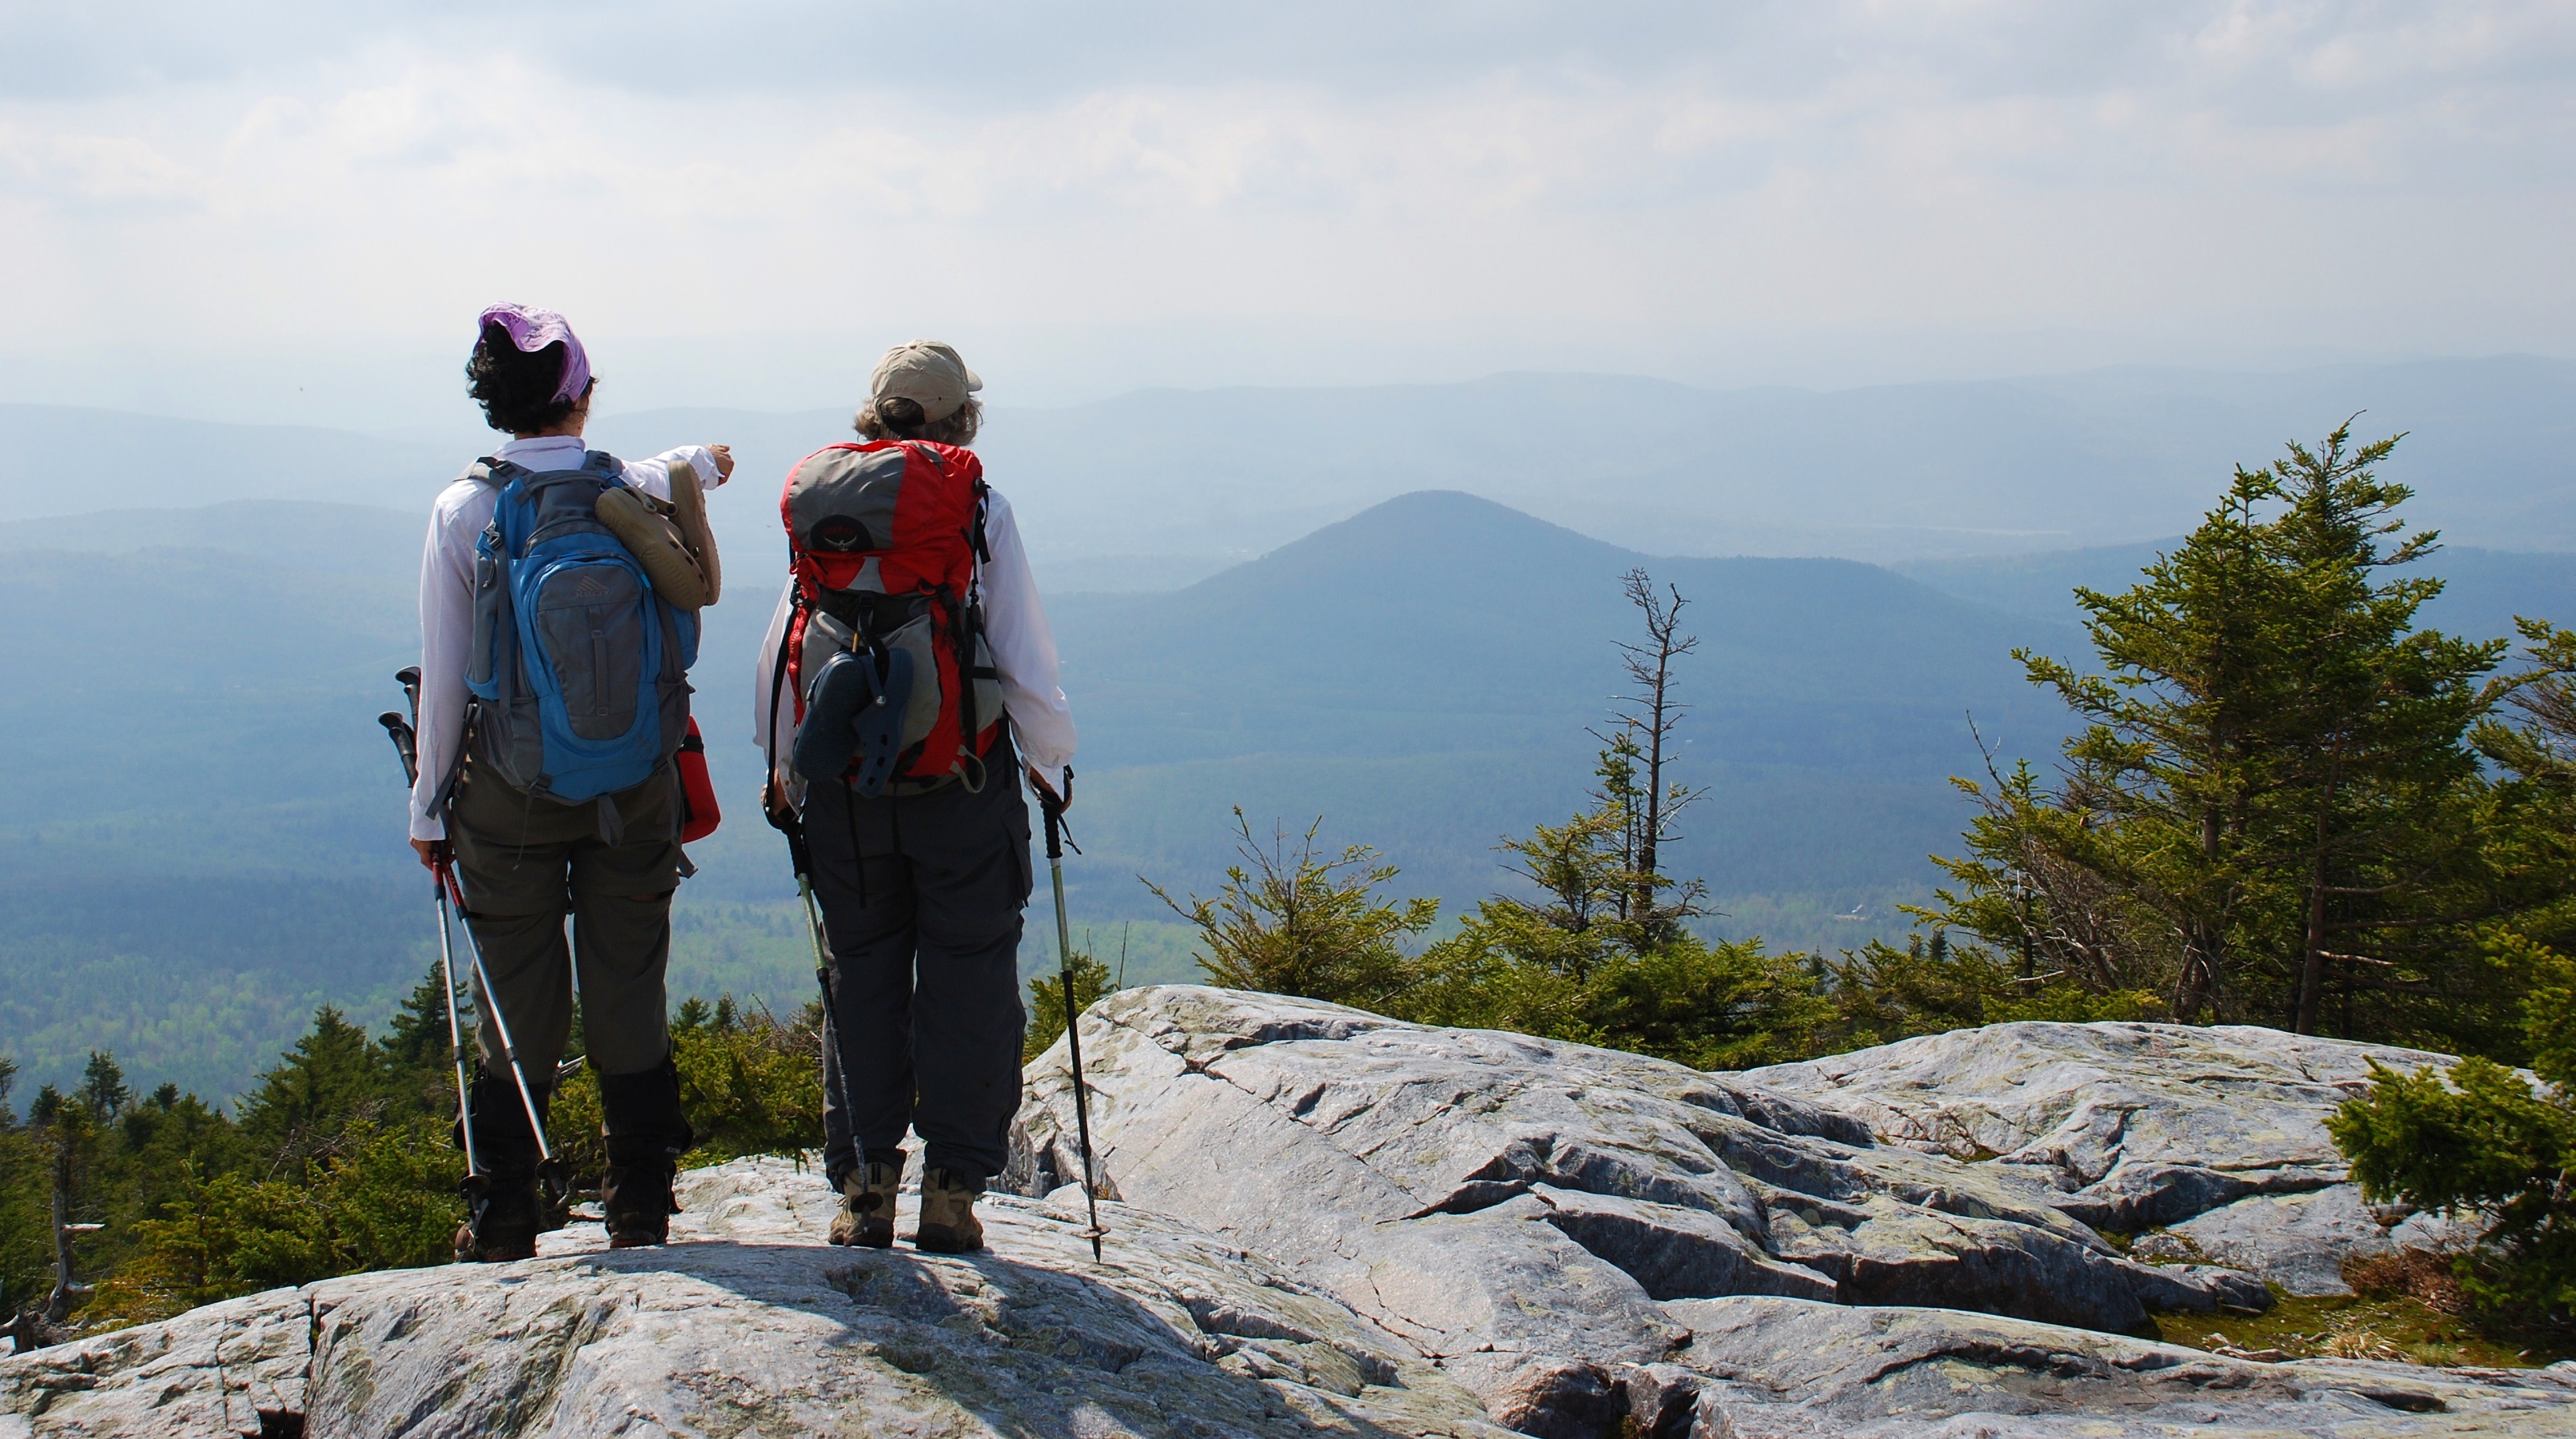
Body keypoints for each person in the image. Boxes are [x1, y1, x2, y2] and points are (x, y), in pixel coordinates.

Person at [410, 303, 736, 1260]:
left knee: (517, 996)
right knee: (629, 976)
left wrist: (428, 805)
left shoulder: (462, 511)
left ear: (493, 402)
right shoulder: (622, 489)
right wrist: (711, 461)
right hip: (634, 779)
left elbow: (444, 674)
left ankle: (507, 1204)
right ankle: (638, 1196)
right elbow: (681, 468)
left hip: (507, 793)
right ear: (582, 397)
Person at [753, 341, 1075, 1253]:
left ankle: (864, 1187)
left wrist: (786, 767)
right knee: (970, 974)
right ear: (960, 417)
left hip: (847, 784)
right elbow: (1021, 652)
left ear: (876, 413)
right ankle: (952, 1190)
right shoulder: (975, 504)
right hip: (960, 781)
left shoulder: (825, 506)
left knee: (861, 973)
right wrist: (1052, 762)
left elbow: (790, 637)